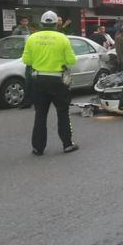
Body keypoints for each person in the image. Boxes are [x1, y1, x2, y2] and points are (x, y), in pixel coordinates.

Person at [22, 10, 79, 156]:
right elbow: (72, 60)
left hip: (38, 80)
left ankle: (37, 148)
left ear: (41, 23)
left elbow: (26, 61)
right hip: (58, 80)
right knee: (63, 113)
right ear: (55, 24)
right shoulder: (62, 38)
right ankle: (67, 144)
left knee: (40, 114)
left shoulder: (32, 38)